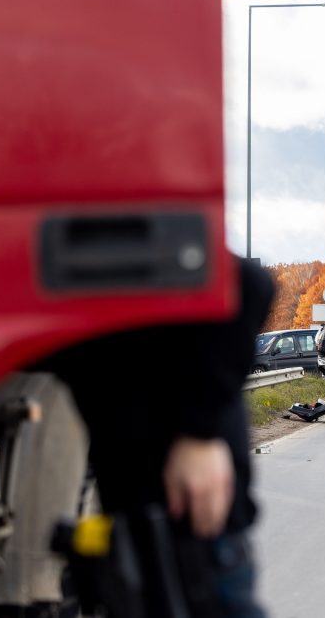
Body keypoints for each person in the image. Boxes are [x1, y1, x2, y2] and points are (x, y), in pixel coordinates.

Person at [39, 256, 273, 617]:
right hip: (140, 538)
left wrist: (198, 433)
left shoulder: (114, 249)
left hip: (191, 539)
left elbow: (251, 285)